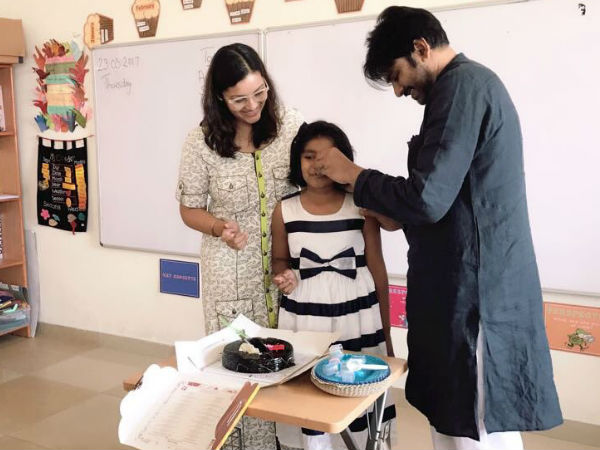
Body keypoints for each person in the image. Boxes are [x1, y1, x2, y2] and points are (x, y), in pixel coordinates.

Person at [312, 6, 563, 450]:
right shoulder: (462, 88)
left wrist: (355, 175)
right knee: (453, 424)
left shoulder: (463, 87)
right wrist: (393, 212)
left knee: (474, 429)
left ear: (421, 48)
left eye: (397, 75)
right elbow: (447, 197)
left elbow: (428, 198)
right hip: (460, 288)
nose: (397, 90)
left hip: (474, 298)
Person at [176, 43, 303, 450]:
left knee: (289, 363)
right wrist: (219, 227)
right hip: (228, 273)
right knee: (237, 367)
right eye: (239, 99)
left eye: (259, 92)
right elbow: (189, 209)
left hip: (284, 268)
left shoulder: (290, 126)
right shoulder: (200, 142)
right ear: (219, 98)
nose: (252, 106)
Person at [271, 121, 396, 450]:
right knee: (311, 399)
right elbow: (279, 261)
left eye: (327, 157)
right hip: (306, 317)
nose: (317, 165)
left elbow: (377, 267)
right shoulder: (285, 209)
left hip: (357, 315)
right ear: (297, 161)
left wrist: (387, 334)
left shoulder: (361, 205)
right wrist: (283, 275)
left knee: (359, 391)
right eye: (309, 156)